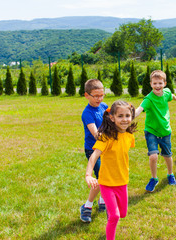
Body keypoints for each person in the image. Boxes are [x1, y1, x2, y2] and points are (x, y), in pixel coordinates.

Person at [85, 100, 137, 240]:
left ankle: (111, 211)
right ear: (112, 118)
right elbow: (94, 156)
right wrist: (89, 175)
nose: (125, 119)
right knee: (114, 216)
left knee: (123, 214)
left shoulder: (129, 136)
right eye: (120, 116)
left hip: (122, 181)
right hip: (106, 183)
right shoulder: (105, 137)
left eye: (128, 115)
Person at [135, 70, 176, 192]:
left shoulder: (166, 93)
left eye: (160, 83)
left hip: (165, 131)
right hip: (151, 131)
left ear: (165, 83)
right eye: (155, 83)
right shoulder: (148, 99)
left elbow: (172, 95)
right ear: (151, 84)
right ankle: (154, 178)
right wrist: (128, 117)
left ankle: (170, 174)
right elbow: (139, 110)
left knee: (167, 155)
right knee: (153, 156)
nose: (157, 86)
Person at [80, 79, 108, 223]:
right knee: (101, 177)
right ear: (87, 95)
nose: (99, 99)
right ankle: (87, 206)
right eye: (96, 96)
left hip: (106, 148)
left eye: (102, 95)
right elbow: (96, 134)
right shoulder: (87, 113)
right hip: (93, 149)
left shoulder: (104, 106)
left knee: (105, 175)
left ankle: (102, 201)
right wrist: (109, 136)